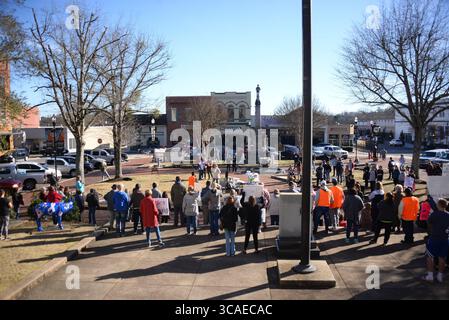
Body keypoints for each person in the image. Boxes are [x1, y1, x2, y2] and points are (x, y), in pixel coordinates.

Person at [422, 198, 449, 283]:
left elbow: (428, 223)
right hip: (445, 239)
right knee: (442, 258)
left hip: (434, 238)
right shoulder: (448, 215)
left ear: (439, 205)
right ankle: (440, 276)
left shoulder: (434, 214)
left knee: (430, 257)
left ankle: (430, 276)